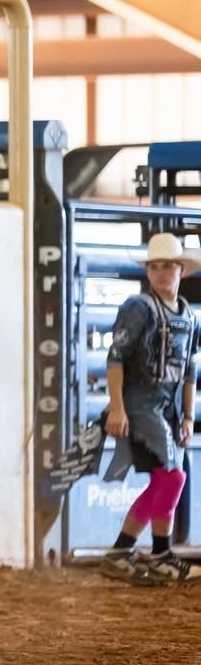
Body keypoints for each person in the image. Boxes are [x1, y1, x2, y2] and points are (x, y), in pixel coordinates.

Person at [99, 233, 201, 585]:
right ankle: (153, 552)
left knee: (167, 477)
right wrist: (117, 408)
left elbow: (189, 370)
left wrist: (188, 415)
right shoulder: (138, 308)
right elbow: (116, 357)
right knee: (173, 476)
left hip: (169, 404)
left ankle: (135, 551)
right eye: (154, 267)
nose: (160, 273)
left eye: (167, 266)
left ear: (180, 270)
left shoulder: (189, 316)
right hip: (141, 399)